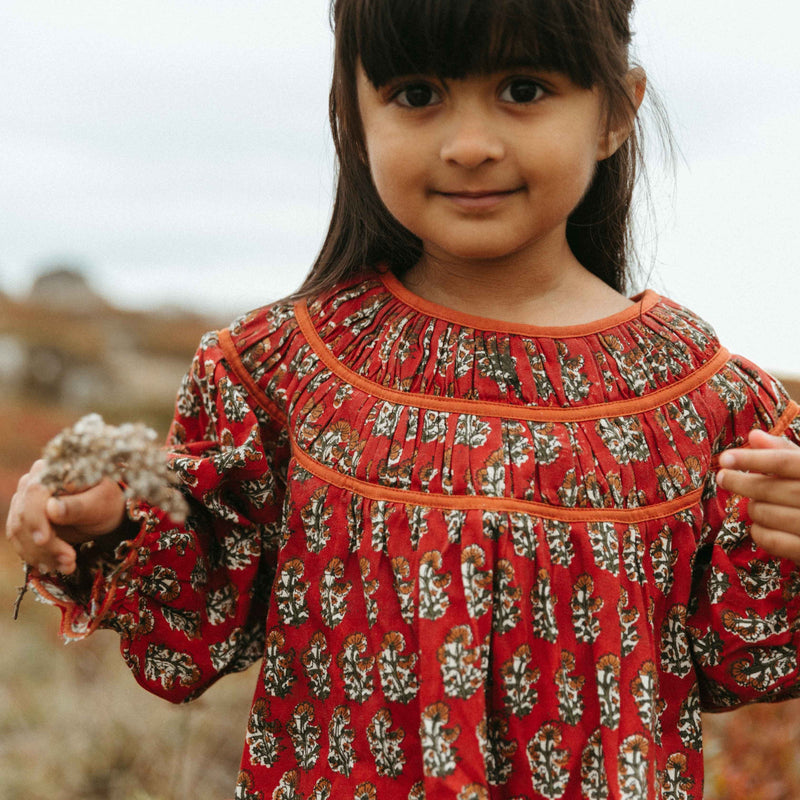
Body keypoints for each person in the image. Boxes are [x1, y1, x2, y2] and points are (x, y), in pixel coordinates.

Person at [6, 0, 800, 797]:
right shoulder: (283, 373)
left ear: (614, 114)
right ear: (352, 114)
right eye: (417, 95)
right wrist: (107, 519)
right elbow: (201, 618)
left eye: (524, 89)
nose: (469, 146)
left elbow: (749, 656)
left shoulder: (706, 404)